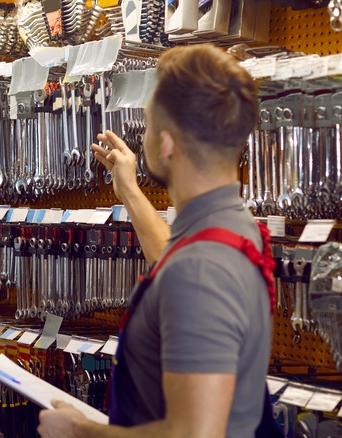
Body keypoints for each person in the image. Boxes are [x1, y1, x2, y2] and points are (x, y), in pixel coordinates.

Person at [38, 44, 273, 437]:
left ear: (166, 144)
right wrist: (129, 190)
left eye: (147, 124)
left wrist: (82, 431)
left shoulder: (200, 270)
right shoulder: (232, 225)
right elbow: (175, 269)